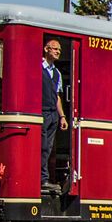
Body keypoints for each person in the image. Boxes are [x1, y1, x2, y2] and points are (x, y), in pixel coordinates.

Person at [42, 39, 68, 194]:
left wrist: (62, 116)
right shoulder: (38, 67)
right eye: (55, 49)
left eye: (59, 50)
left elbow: (57, 96)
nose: (58, 52)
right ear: (46, 49)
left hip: (53, 114)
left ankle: (46, 179)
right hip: (42, 111)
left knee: (49, 148)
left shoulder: (56, 72)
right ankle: (42, 179)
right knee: (42, 146)